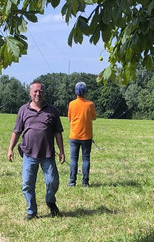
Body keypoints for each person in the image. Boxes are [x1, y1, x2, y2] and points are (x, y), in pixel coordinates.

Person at [7, 81, 65, 220]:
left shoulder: (52, 110)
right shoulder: (23, 110)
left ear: (44, 93)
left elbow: (58, 132)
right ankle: (31, 211)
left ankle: (50, 201)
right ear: (30, 93)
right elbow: (17, 131)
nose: (38, 94)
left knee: (53, 181)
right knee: (27, 184)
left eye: (40, 91)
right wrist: (10, 149)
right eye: (35, 91)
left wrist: (62, 151)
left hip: (48, 153)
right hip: (29, 153)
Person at [67, 81, 96, 187]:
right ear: (85, 92)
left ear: (76, 92)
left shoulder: (71, 104)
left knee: (73, 159)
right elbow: (94, 117)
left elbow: (69, 119)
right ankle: (85, 182)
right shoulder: (90, 104)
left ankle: (72, 182)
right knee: (86, 159)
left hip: (74, 136)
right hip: (87, 136)